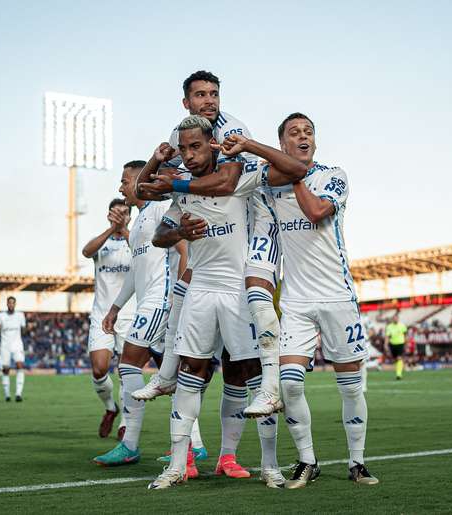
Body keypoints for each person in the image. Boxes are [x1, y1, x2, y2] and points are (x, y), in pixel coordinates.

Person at [146, 115, 308, 490]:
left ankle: (270, 465)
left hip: (238, 291)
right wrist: (178, 232)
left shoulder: (238, 177)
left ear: (212, 144)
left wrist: (250, 145)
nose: (188, 154)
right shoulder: (181, 191)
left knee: (255, 380)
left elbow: (296, 170)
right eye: (183, 148)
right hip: (200, 291)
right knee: (191, 376)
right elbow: (158, 234)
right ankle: (174, 465)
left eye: (196, 146)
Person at [134, 70, 283, 418]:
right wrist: (158, 163)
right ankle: (167, 374)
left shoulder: (232, 128)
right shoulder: (181, 133)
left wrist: (178, 186)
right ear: (186, 102)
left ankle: (272, 385)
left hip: (253, 214)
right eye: (200, 95)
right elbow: (145, 189)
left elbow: (228, 182)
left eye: (214, 93)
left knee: (258, 296)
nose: (209, 100)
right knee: (183, 290)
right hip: (214, 224)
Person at [247, 113, 378, 488]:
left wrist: (294, 174)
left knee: (350, 385)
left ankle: (357, 462)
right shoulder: (269, 189)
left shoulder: (334, 175)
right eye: (294, 133)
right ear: (283, 145)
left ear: (315, 142)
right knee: (289, 383)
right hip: (296, 302)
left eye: (308, 132)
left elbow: (318, 212)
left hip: (338, 296)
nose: (303, 137)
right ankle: (307, 460)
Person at [93, 161, 188, 467]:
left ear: (139, 180)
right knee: (173, 374)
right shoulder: (139, 226)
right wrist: (116, 308)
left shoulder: (161, 210)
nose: (121, 187)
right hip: (149, 299)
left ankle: (130, 443)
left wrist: (180, 295)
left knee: (130, 363)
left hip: (162, 300)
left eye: (124, 181)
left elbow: (184, 249)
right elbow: (135, 271)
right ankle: (194, 446)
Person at [82, 198, 134, 440]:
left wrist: (123, 230)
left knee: (127, 370)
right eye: (116, 213)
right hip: (102, 314)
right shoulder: (101, 243)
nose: (120, 216)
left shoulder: (135, 240)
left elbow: (145, 255)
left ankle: (125, 422)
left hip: (130, 314)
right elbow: (86, 251)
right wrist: (112, 229)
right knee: (99, 369)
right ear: (108, 215)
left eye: (124, 213)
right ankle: (110, 408)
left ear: (130, 217)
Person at [0, 296, 27, 401]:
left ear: (15, 304)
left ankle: (18, 394)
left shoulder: (20, 315)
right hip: (5, 345)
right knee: (6, 369)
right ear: (7, 304)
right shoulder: (0, 315)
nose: (11, 304)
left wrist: (27, 329)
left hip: (17, 344)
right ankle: (7, 395)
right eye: (9, 303)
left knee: (20, 365)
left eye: (13, 303)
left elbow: (23, 329)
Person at [385, 314, 407, 380]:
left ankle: (399, 374)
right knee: (396, 360)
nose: (395, 319)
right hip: (392, 344)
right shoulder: (389, 327)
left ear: (398, 319)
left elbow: (405, 335)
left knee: (399, 358)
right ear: (392, 319)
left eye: (396, 318)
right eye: (394, 318)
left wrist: (406, 343)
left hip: (400, 344)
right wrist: (385, 344)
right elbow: (387, 336)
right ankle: (398, 371)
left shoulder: (402, 326)